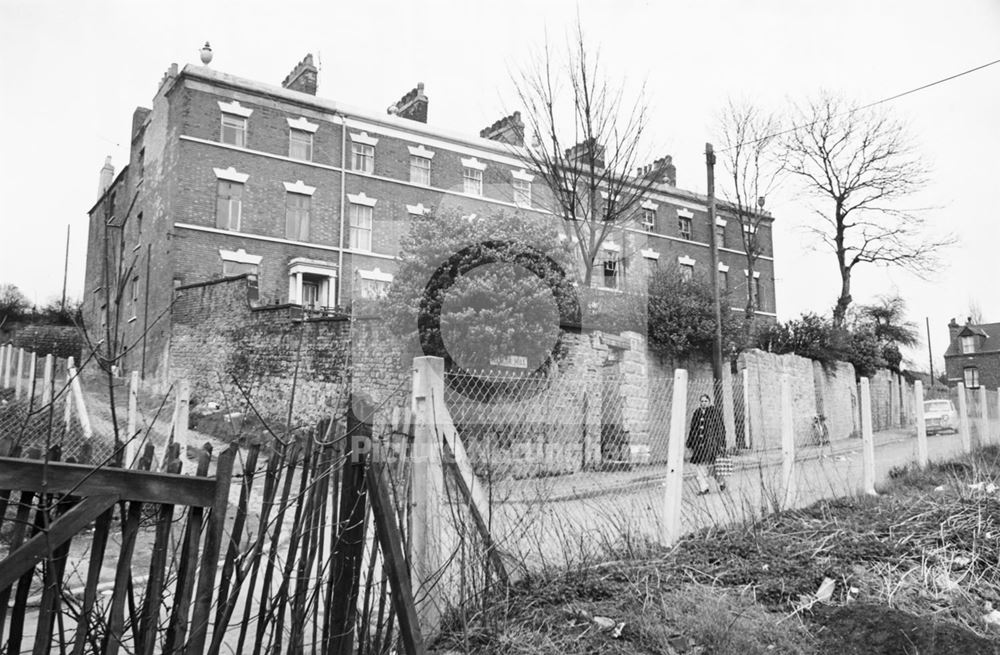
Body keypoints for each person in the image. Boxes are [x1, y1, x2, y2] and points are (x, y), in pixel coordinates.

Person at [687, 393, 728, 494]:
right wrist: (691, 442)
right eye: (702, 401)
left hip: (711, 444)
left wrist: (721, 443)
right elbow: (693, 428)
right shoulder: (697, 413)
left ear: (709, 402)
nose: (703, 403)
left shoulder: (714, 412)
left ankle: (721, 482)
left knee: (713, 466)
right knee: (700, 466)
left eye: (705, 401)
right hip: (699, 446)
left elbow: (720, 429)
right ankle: (704, 488)